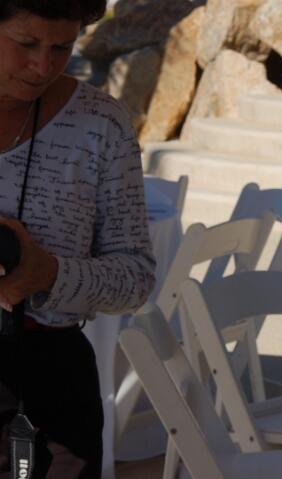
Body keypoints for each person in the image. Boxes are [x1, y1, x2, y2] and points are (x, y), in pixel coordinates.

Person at [0, 1, 155, 477]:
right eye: (26, 43)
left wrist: (47, 274)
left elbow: (136, 277)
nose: (42, 66)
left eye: (62, 47)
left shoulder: (100, 123)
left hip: (51, 386)